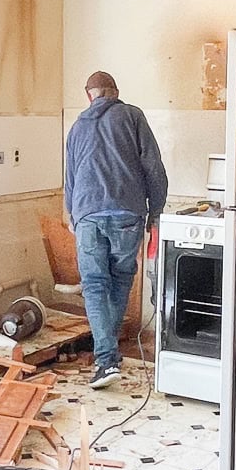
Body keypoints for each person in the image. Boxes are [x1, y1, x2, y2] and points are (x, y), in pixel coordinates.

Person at [64, 71, 168, 389]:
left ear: (89, 96)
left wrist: (72, 213)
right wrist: (156, 212)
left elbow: (69, 173)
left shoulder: (78, 125)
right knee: (120, 279)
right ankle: (108, 359)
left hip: (87, 214)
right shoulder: (132, 116)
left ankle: (106, 361)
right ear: (116, 92)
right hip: (127, 213)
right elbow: (153, 166)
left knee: (95, 286)